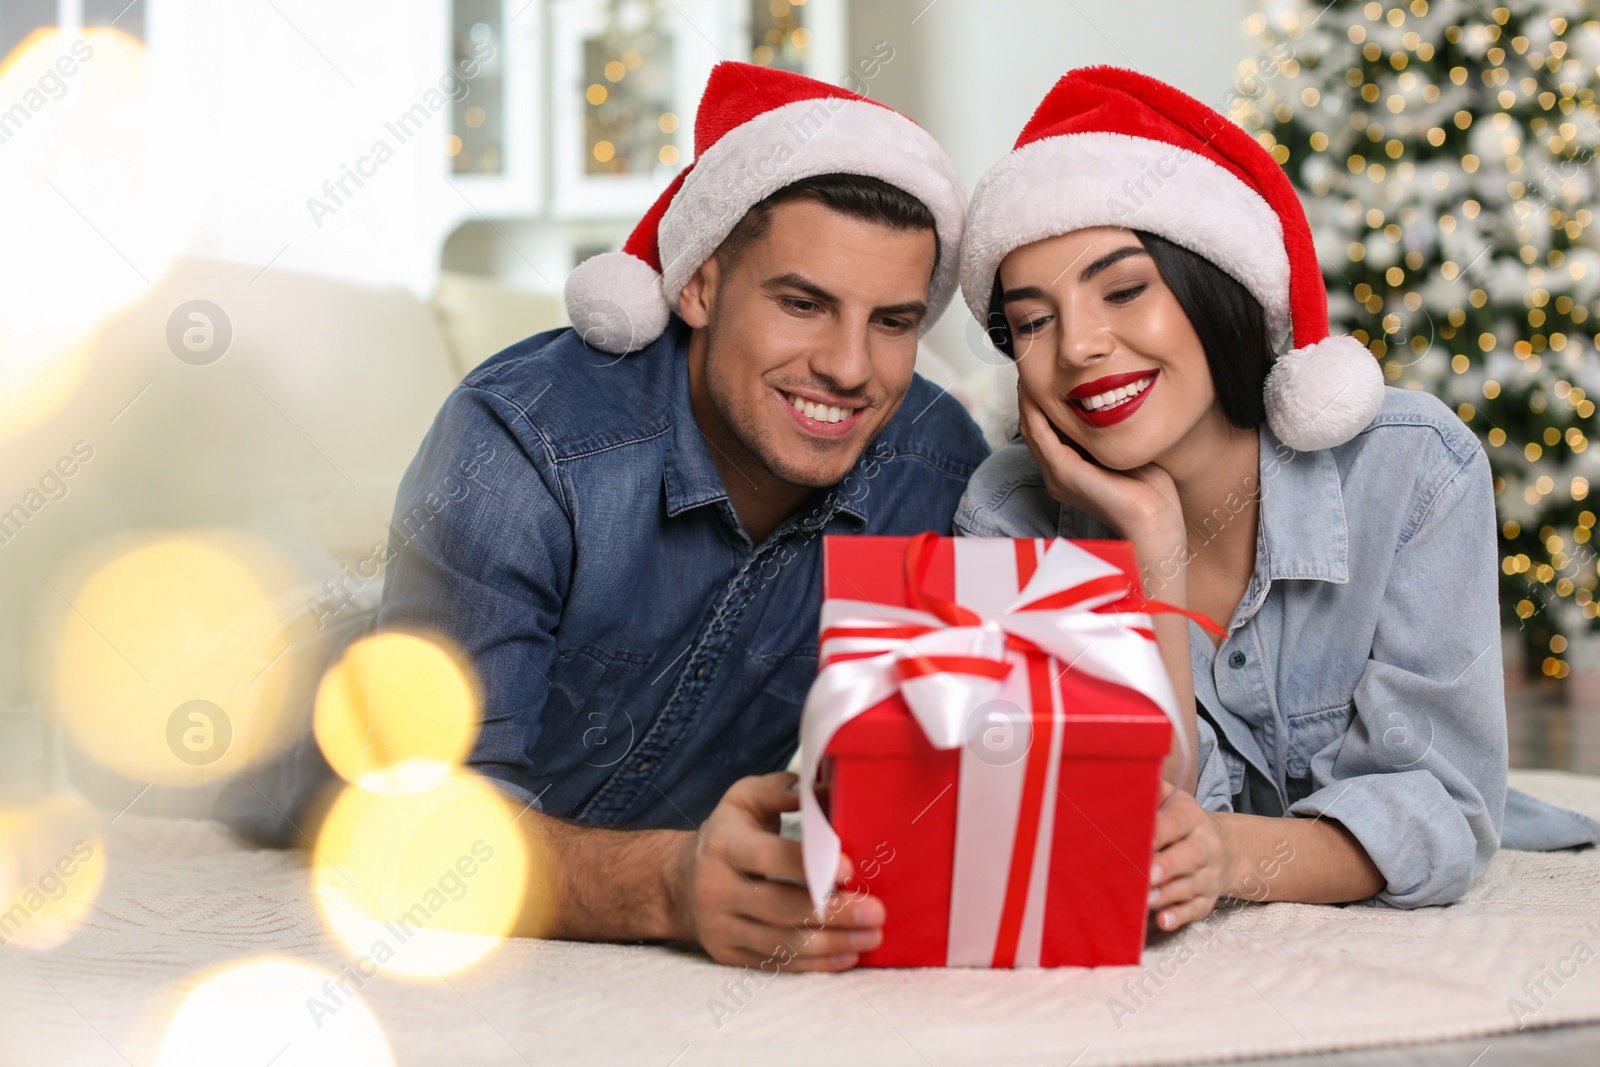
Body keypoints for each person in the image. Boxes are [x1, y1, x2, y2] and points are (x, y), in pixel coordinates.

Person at [953, 67, 1600, 934]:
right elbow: (1106, 838)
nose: (1078, 346)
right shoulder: (1005, 513)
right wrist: (1152, 548)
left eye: (1124, 289)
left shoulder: (1412, 471)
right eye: (1032, 321)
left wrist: (1230, 854)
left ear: (1213, 284)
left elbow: (1441, 808)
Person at [376, 62, 986, 971]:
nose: (852, 368)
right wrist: (667, 883)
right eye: (802, 303)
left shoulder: (936, 463)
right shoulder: (522, 445)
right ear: (696, 286)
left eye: (893, 322)